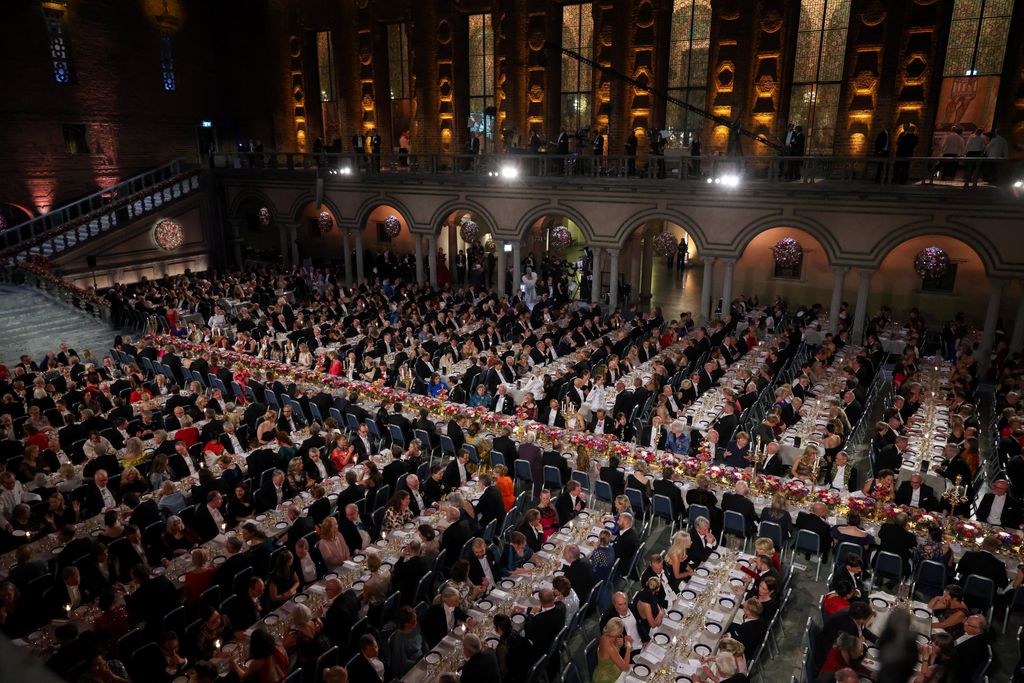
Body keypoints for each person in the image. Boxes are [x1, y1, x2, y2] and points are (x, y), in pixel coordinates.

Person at [593, 617, 633, 683]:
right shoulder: (610, 647)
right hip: (608, 678)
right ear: (618, 633)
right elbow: (625, 668)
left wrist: (619, 646)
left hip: (605, 669)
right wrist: (628, 648)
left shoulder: (605, 635)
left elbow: (610, 655)